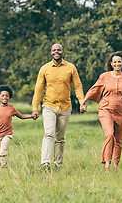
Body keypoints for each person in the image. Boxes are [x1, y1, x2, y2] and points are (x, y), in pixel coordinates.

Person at [79, 51, 122, 172]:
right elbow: (94, 89)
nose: (117, 64)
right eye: (114, 62)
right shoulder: (104, 76)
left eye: (119, 62)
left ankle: (116, 165)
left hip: (121, 112)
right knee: (110, 134)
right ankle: (107, 165)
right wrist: (83, 101)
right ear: (111, 64)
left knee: (119, 140)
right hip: (106, 109)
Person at [32, 43, 85, 171]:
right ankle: (45, 163)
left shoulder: (71, 67)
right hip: (49, 105)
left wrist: (82, 102)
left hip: (65, 107)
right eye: (54, 50)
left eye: (59, 50)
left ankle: (57, 164)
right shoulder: (44, 68)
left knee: (60, 138)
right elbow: (38, 89)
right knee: (49, 133)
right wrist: (35, 108)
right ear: (51, 53)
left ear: (62, 52)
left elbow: (77, 86)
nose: (57, 52)